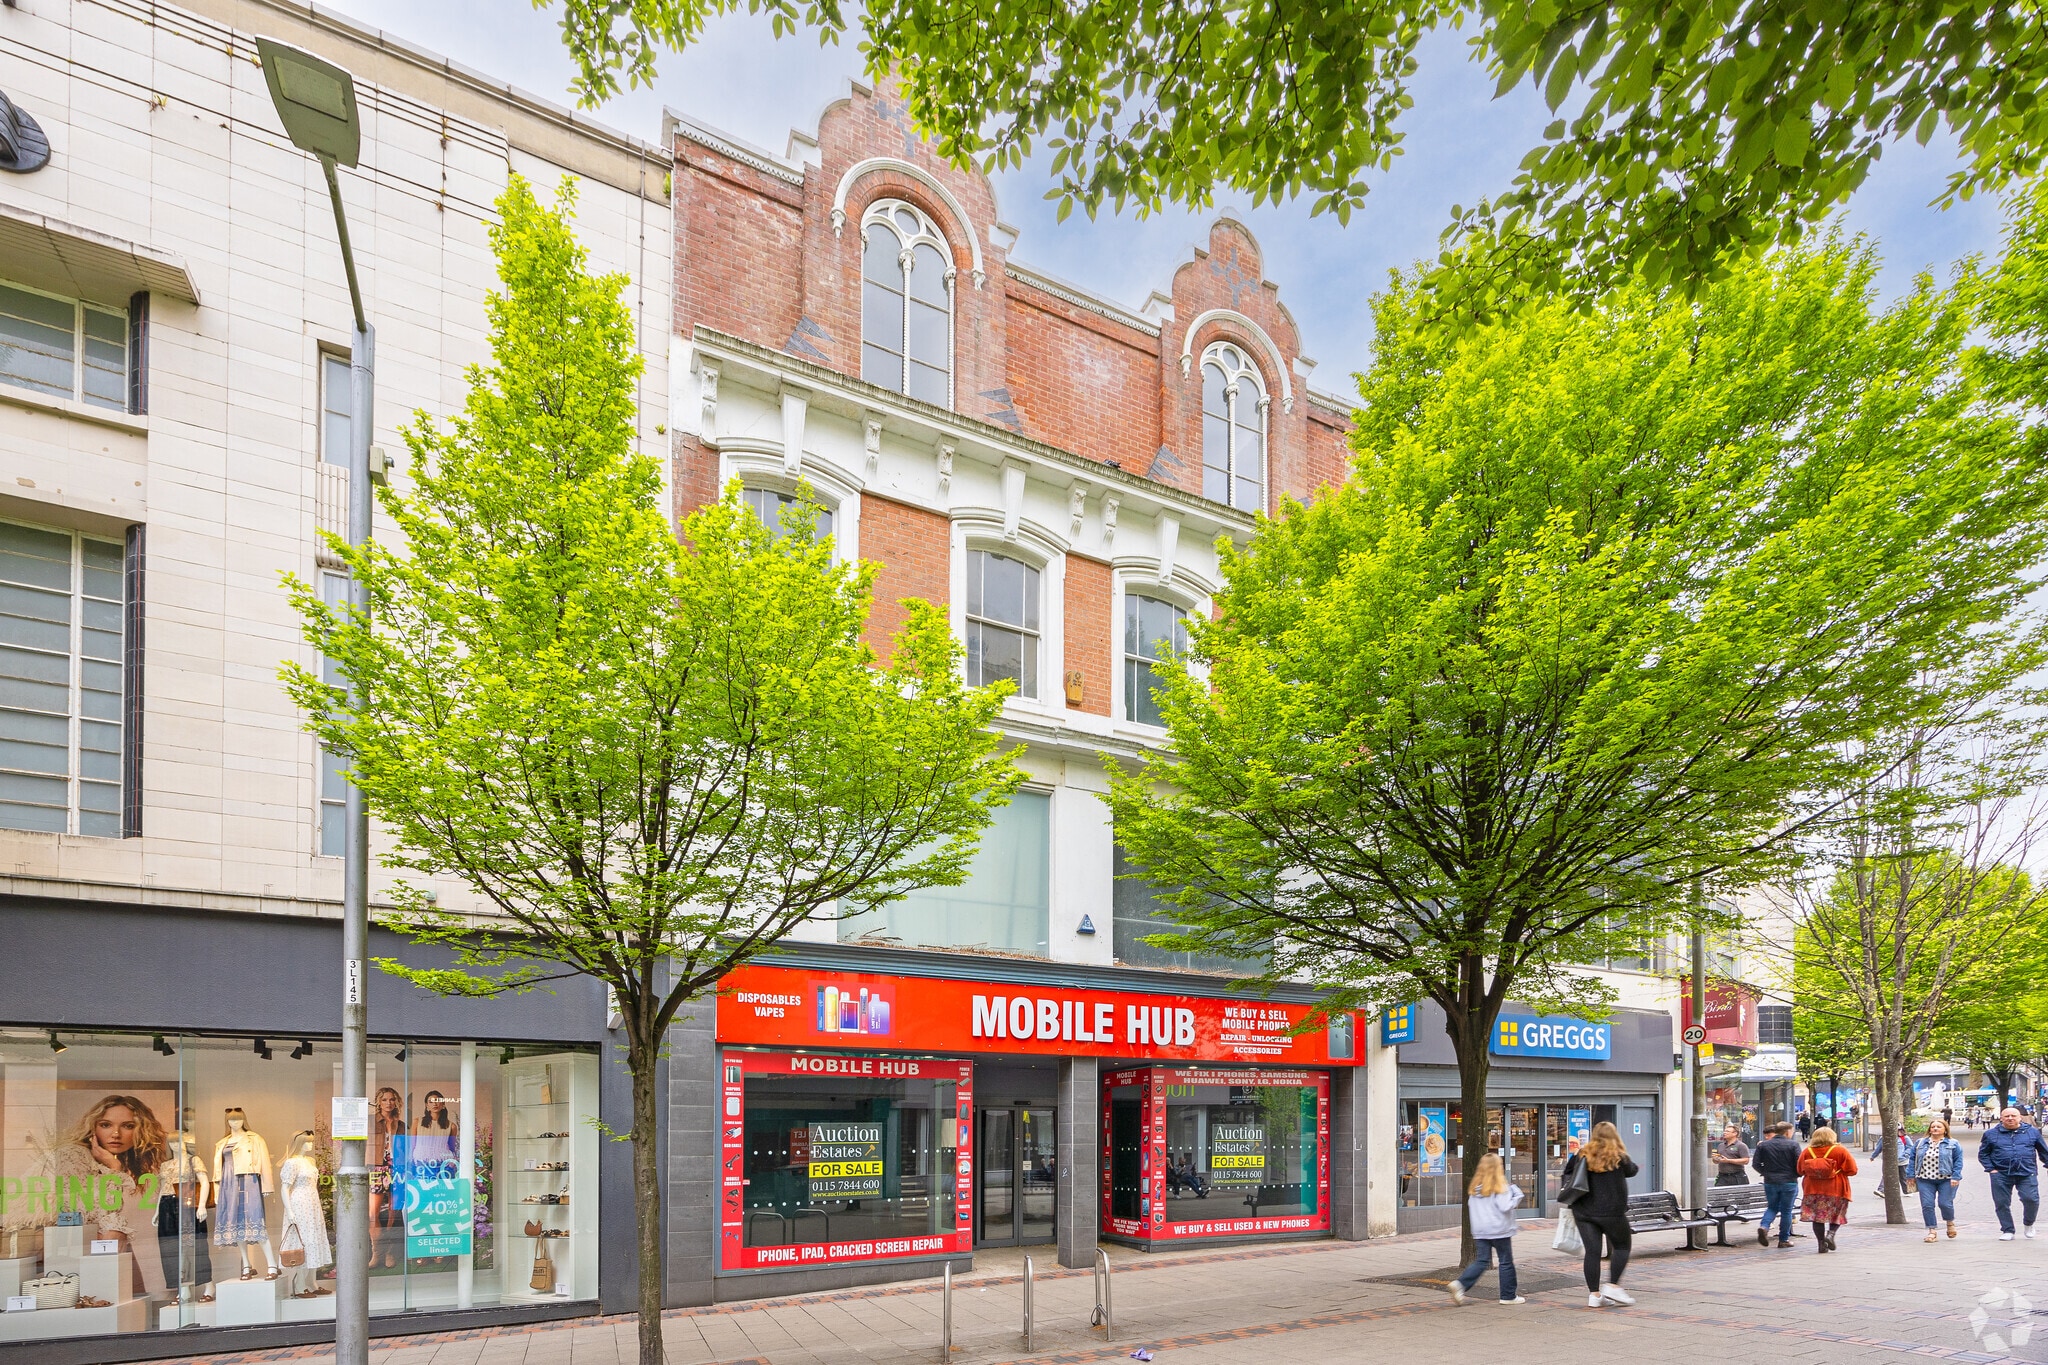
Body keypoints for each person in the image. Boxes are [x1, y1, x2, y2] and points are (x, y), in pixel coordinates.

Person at [52, 1095, 171, 1297]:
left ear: (141, 1130)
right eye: (106, 1125)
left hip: (146, 1257)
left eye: (128, 1126)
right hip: (95, 1258)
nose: (116, 1134)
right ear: (93, 1128)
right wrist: (113, 1168)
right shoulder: (75, 1157)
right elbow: (86, 1209)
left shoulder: (146, 1163)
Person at [1564, 1120, 1639, 1308]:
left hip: (1584, 1212)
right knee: (1622, 1247)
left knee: (1592, 1252)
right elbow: (1633, 1171)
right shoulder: (1619, 1157)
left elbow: (1567, 1174)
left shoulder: (1581, 1154)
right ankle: (1612, 1285)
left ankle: (1594, 1295)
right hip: (1612, 1213)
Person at [1447, 1152, 1525, 1306]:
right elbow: (1506, 1206)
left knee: (1482, 1260)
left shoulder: (1475, 1189)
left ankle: (1460, 1284)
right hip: (1500, 1229)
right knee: (1506, 1261)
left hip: (1481, 1230)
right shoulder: (1501, 1187)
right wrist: (1517, 1194)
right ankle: (1508, 1296)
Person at [1977, 1106, 2048, 1241]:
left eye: (2013, 1116)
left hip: (2027, 1172)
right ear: (2001, 1118)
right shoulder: (1991, 1134)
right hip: (2001, 1173)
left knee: (2031, 1199)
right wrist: (1991, 1169)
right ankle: (2007, 1229)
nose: (2010, 1118)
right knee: (2002, 1202)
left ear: (2019, 1117)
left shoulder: (2032, 1132)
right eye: (2007, 1116)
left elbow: (2043, 1151)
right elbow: (1983, 1154)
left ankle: (2029, 1223)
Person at [1799, 1125, 1858, 1252]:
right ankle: (1831, 1234)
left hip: (1812, 1190)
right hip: (1835, 1189)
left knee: (1817, 1217)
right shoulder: (1840, 1151)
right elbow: (1852, 1170)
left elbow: (1799, 1170)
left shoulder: (1807, 1151)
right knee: (1836, 1214)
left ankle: (1821, 1245)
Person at [1910, 1118, 1964, 1243]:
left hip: (1947, 1179)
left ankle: (1949, 1222)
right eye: (1933, 1126)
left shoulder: (1953, 1143)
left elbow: (1958, 1161)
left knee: (1945, 1203)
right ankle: (1932, 1231)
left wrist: (1956, 1176)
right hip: (1924, 1179)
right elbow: (1913, 1159)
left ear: (1945, 1130)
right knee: (1927, 1205)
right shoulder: (1920, 1143)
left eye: (1938, 1127)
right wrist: (1910, 1175)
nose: (1935, 1128)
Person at [1751, 1121, 1803, 1247]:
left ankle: (1764, 1226)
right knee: (1786, 1211)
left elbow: (1755, 1164)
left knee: (1772, 1207)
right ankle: (1783, 1239)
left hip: (1770, 1181)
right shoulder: (1793, 1145)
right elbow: (1799, 1163)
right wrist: (1797, 1174)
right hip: (1789, 1181)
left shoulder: (1764, 1145)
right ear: (1787, 1132)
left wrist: (1766, 1173)